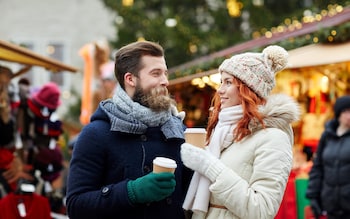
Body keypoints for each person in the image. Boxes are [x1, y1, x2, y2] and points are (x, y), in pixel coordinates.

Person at [66, 41, 191, 219]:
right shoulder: (96, 133)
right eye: (156, 74)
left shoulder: (178, 130)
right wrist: (132, 192)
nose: (165, 81)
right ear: (130, 79)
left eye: (165, 73)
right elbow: (76, 206)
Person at [180, 45, 300, 219]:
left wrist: (211, 167)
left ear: (249, 88)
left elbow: (262, 210)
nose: (220, 90)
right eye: (221, 82)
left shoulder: (274, 137)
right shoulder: (223, 131)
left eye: (228, 82)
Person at [306, 95, 350, 219]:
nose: (349, 116)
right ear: (338, 114)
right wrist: (313, 196)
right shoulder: (327, 136)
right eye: (346, 111)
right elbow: (317, 167)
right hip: (330, 203)